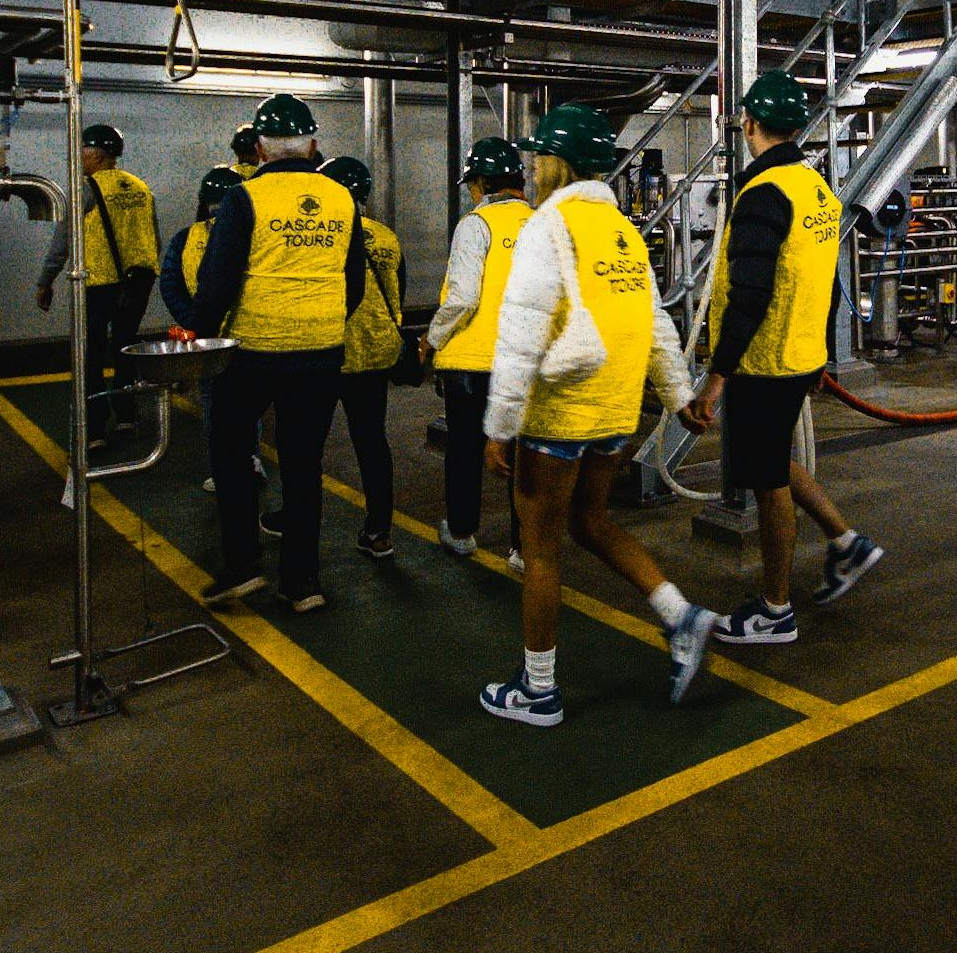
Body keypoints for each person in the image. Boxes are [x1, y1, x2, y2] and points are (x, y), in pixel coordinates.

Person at [478, 104, 713, 727]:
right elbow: (655, 320)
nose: (530, 167)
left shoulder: (547, 227)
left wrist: (499, 426)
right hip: (615, 410)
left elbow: (522, 334)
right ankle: (680, 616)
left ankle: (539, 690)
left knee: (540, 547)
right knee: (591, 520)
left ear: (560, 163)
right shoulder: (623, 231)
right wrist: (676, 392)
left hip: (559, 413)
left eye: (538, 157)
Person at [684, 71, 883, 645]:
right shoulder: (816, 188)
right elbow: (820, 278)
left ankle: (775, 610)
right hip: (798, 354)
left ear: (749, 124)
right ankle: (846, 543)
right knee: (772, 458)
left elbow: (750, 293)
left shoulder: (763, 194)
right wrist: (819, 352)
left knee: (767, 480)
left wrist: (717, 377)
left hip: (765, 361)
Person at [175, 93, 368, 612]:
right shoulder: (342, 200)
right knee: (305, 465)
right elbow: (354, 286)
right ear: (312, 145)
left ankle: (242, 568)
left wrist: (195, 338)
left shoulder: (243, 199)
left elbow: (216, 283)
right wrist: (320, 320)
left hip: (253, 351)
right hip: (321, 351)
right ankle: (303, 582)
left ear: (259, 148)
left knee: (233, 454)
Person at [422, 137, 534, 557]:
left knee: (465, 449)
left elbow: (463, 297)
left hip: (471, 362)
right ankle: (523, 549)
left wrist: (430, 338)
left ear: (483, 182)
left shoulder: (476, 224)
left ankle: (463, 532)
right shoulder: (543, 223)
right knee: (523, 458)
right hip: (523, 361)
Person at [301, 154, 400, 557]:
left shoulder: (322, 235)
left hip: (326, 351)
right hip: (374, 354)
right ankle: (379, 531)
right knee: (372, 443)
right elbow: (397, 294)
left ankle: (296, 519)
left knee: (306, 445)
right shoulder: (386, 236)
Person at [38, 122, 160, 430]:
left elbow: (62, 241)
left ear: (100, 154)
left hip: (99, 282)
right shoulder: (140, 187)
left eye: (84, 149)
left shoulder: (84, 190)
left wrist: (45, 281)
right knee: (126, 347)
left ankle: (94, 424)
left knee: (90, 354)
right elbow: (153, 238)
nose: (79, 155)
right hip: (138, 281)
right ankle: (127, 414)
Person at [161, 167, 263, 498]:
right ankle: (251, 460)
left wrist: (192, 322)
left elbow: (171, 283)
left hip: (204, 335)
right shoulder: (255, 233)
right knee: (250, 401)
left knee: (212, 400)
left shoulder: (185, 237)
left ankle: (221, 469)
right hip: (245, 332)